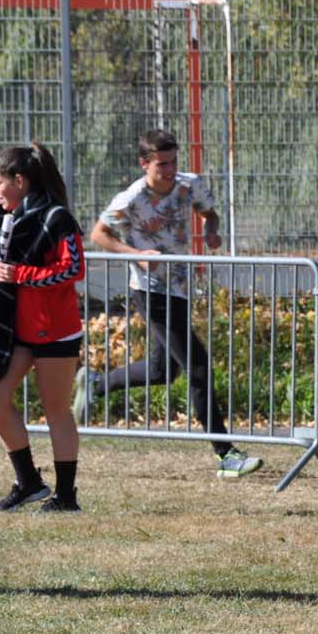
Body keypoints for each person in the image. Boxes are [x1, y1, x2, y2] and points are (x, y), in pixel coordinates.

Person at [76, 129, 262, 479]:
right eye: (162, 164)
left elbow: (210, 214)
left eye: (174, 161)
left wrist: (211, 230)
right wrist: (137, 255)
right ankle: (226, 454)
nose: (170, 169)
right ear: (144, 163)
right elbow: (99, 233)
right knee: (198, 367)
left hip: (180, 286)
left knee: (165, 371)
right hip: (149, 290)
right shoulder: (132, 197)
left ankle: (98, 383)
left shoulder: (189, 185)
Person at [0, 141, 85, 512]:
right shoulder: (3, 219)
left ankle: (66, 497)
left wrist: (21, 274)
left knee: (56, 410)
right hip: (19, 331)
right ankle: (29, 483)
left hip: (57, 330)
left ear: (19, 180)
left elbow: (73, 269)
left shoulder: (57, 218)